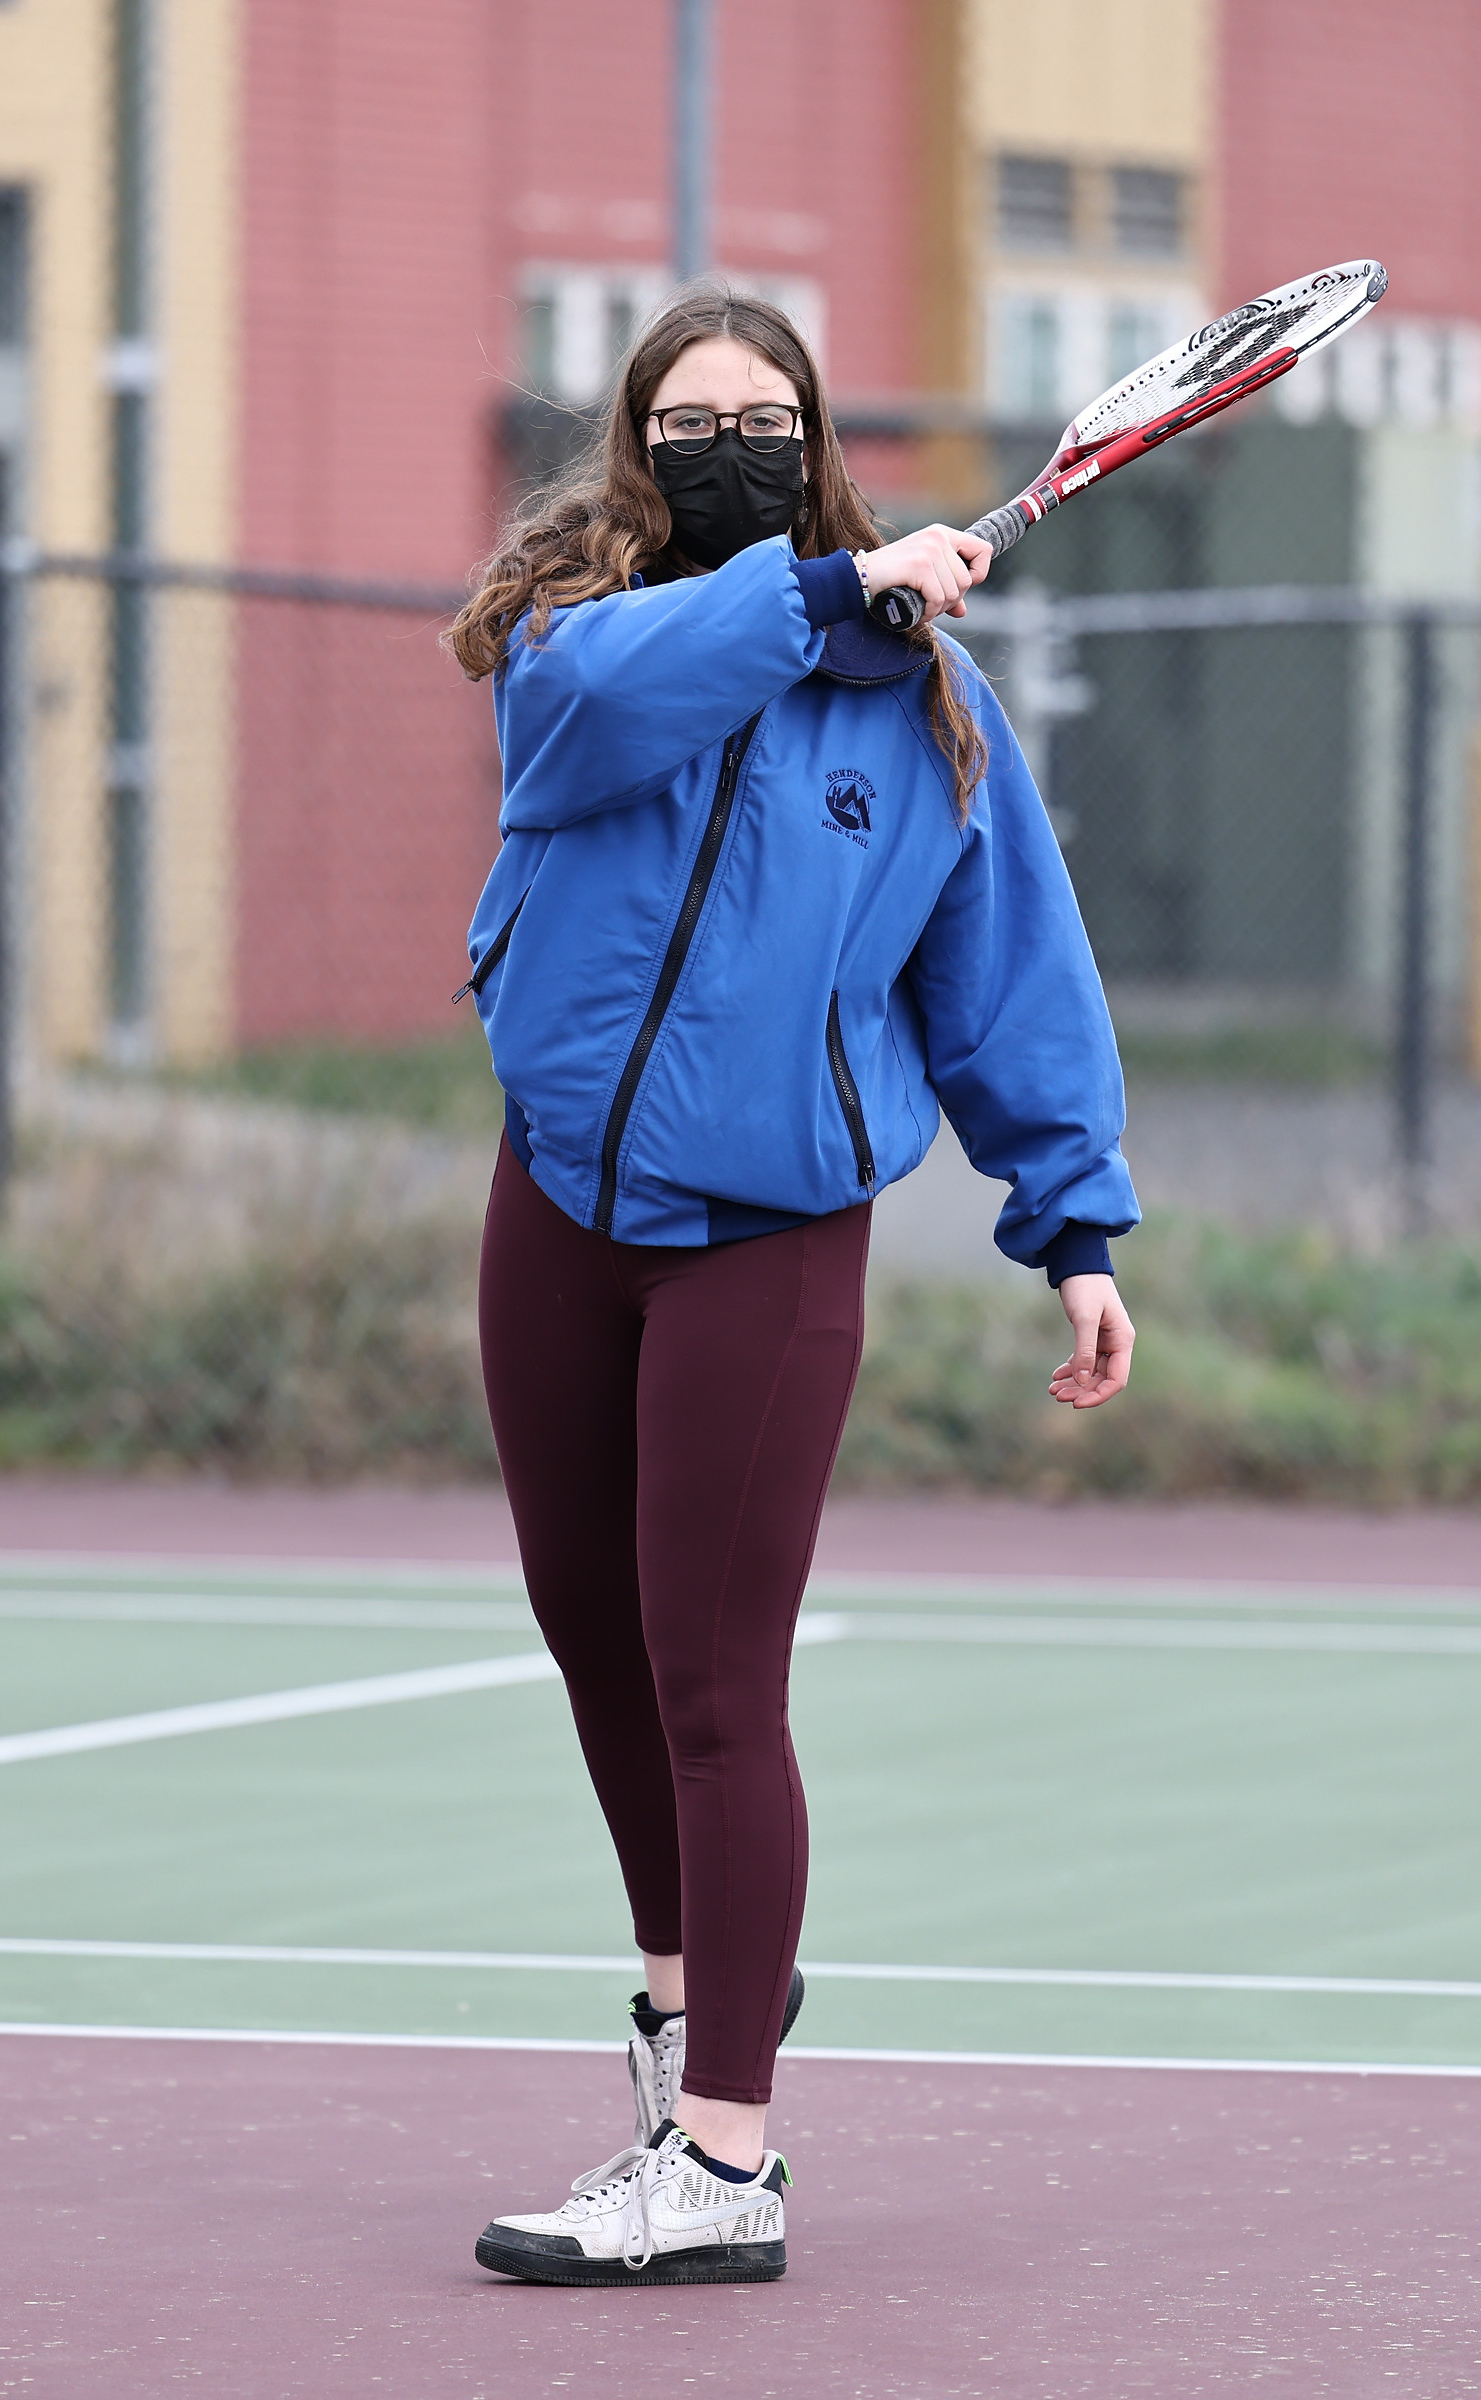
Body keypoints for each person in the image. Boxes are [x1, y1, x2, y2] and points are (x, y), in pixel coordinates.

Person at [447, 288, 1139, 2288]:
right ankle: (691, 2013)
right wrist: (826, 591)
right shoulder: (572, 636)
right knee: (588, 1635)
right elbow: (594, 719)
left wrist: (1071, 1224)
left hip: (768, 1236)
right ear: (635, 448)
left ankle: (724, 2166)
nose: (727, 448)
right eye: (689, 422)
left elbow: (1008, 969)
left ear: (814, 438)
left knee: (713, 1682)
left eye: (765, 420)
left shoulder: (926, 705)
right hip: (555, 1206)